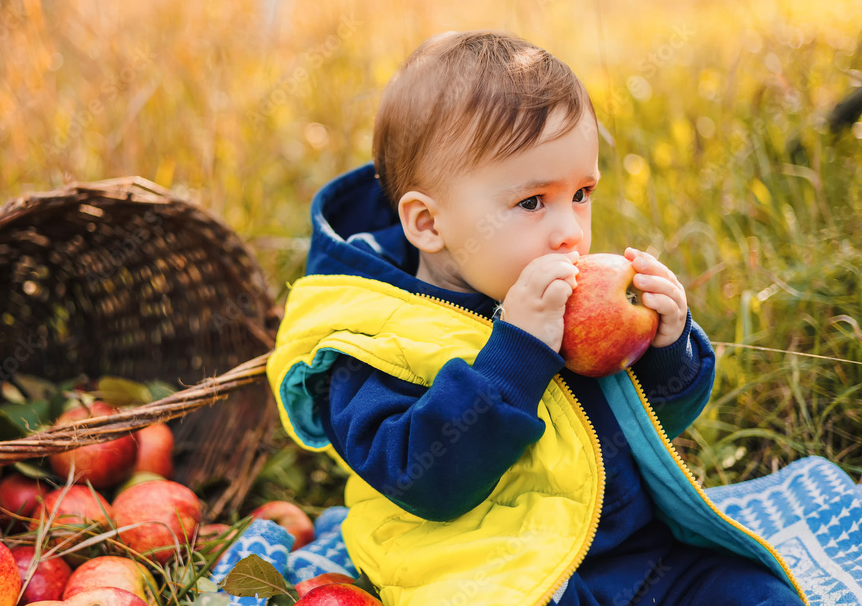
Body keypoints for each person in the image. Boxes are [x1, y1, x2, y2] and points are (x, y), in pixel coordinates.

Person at [266, 31, 805, 605]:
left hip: (630, 555)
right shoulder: (370, 339)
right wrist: (516, 356)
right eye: (532, 202)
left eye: (582, 193)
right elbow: (424, 481)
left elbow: (653, 424)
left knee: (753, 591)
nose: (570, 230)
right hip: (494, 575)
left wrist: (668, 346)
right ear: (427, 224)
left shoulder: (558, 293)